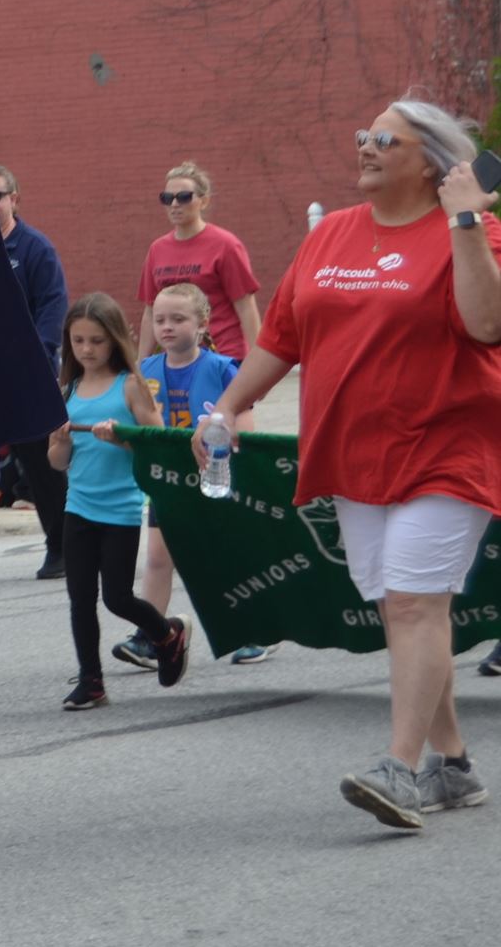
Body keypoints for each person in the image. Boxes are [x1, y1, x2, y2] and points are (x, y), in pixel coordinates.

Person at [203, 99, 501, 830]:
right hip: (353, 451)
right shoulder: (332, 233)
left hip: (447, 446)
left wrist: (465, 220)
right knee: (399, 608)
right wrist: (227, 409)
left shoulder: (475, 228)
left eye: (382, 139)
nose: (364, 147)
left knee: (413, 601)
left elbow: (487, 322)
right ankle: (453, 766)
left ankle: (398, 769)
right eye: (363, 136)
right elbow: (283, 335)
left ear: (429, 160)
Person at [47, 293, 186, 711]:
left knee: (117, 598)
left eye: (97, 341)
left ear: (114, 341)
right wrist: (60, 441)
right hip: (79, 508)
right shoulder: (67, 389)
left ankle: (167, 634)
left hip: (121, 509)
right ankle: (91, 681)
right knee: (80, 598)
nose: (87, 350)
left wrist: (124, 438)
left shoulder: (130, 385)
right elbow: (58, 463)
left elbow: (158, 443)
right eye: (78, 341)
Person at [119, 284, 258, 672]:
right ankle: (149, 634)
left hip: (214, 477)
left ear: (202, 323)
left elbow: (246, 429)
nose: (167, 327)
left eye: (178, 319)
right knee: (158, 558)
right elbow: (133, 430)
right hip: (167, 482)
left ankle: (250, 629)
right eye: (160, 319)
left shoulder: (223, 369)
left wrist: (221, 435)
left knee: (221, 556)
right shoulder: (142, 373)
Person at [0, 163, 71, 578]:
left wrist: (33, 363)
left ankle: (62, 548)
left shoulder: (35, 249)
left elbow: (53, 309)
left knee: (40, 468)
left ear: (14, 200)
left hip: (27, 378)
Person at [137, 163, 263, 360]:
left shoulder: (226, 245)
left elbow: (246, 306)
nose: (175, 204)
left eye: (184, 197)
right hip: (176, 360)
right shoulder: (157, 250)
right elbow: (150, 310)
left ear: (204, 201)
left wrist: (257, 362)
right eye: (168, 198)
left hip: (223, 356)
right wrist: (142, 364)